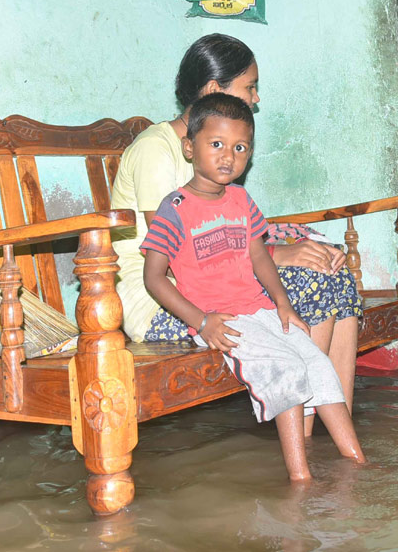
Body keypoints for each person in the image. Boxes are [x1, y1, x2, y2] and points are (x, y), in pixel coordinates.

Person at [110, 34, 362, 435]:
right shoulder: (156, 150)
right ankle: (309, 437)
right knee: (312, 281)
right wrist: (282, 255)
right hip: (163, 303)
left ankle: (334, 425)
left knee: (331, 271)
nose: (256, 98)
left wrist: (289, 250)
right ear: (214, 90)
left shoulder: (220, 153)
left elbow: (233, 238)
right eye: (250, 87)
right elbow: (179, 259)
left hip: (220, 284)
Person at [141, 94, 366, 482]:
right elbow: (154, 277)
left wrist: (283, 305)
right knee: (287, 369)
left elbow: (260, 258)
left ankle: (359, 463)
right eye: (216, 145)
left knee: (318, 364)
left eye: (240, 148)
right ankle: (301, 479)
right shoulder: (174, 208)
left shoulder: (242, 200)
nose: (228, 156)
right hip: (222, 320)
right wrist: (202, 321)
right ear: (189, 148)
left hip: (260, 309)